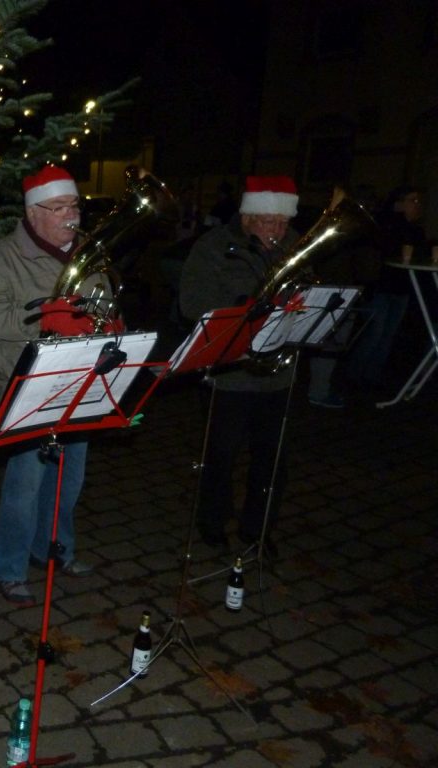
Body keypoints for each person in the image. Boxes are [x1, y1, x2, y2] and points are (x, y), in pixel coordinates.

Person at [0, 165, 109, 606]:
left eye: (74, 206)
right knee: (25, 485)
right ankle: (9, 568)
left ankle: (55, 551)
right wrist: (43, 320)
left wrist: (109, 325)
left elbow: (104, 299)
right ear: (33, 213)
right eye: (60, 207)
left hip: (83, 381)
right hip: (28, 386)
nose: (72, 216)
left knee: (69, 480)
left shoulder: (88, 251)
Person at [178, 175, 302, 556]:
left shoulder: (293, 245)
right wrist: (250, 306)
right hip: (231, 375)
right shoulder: (214, 247)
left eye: (283, 222)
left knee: (272, 458)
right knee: (221, 455)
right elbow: (192, 304)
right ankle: (213, 522)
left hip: (279, 374)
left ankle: (258, 527)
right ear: (248, 217)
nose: (278, 231)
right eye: (269, 222)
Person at [340, 185, 425, 395]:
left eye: (418, 201)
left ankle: (371, 376)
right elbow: (378, 252)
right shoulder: (385, 225)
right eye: (412, 200)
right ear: (399, 203)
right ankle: (353, 375)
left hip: (401, 288)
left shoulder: (416, 229)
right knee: (374, 333)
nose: (417, 206)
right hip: (380, 286)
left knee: (388, 335)